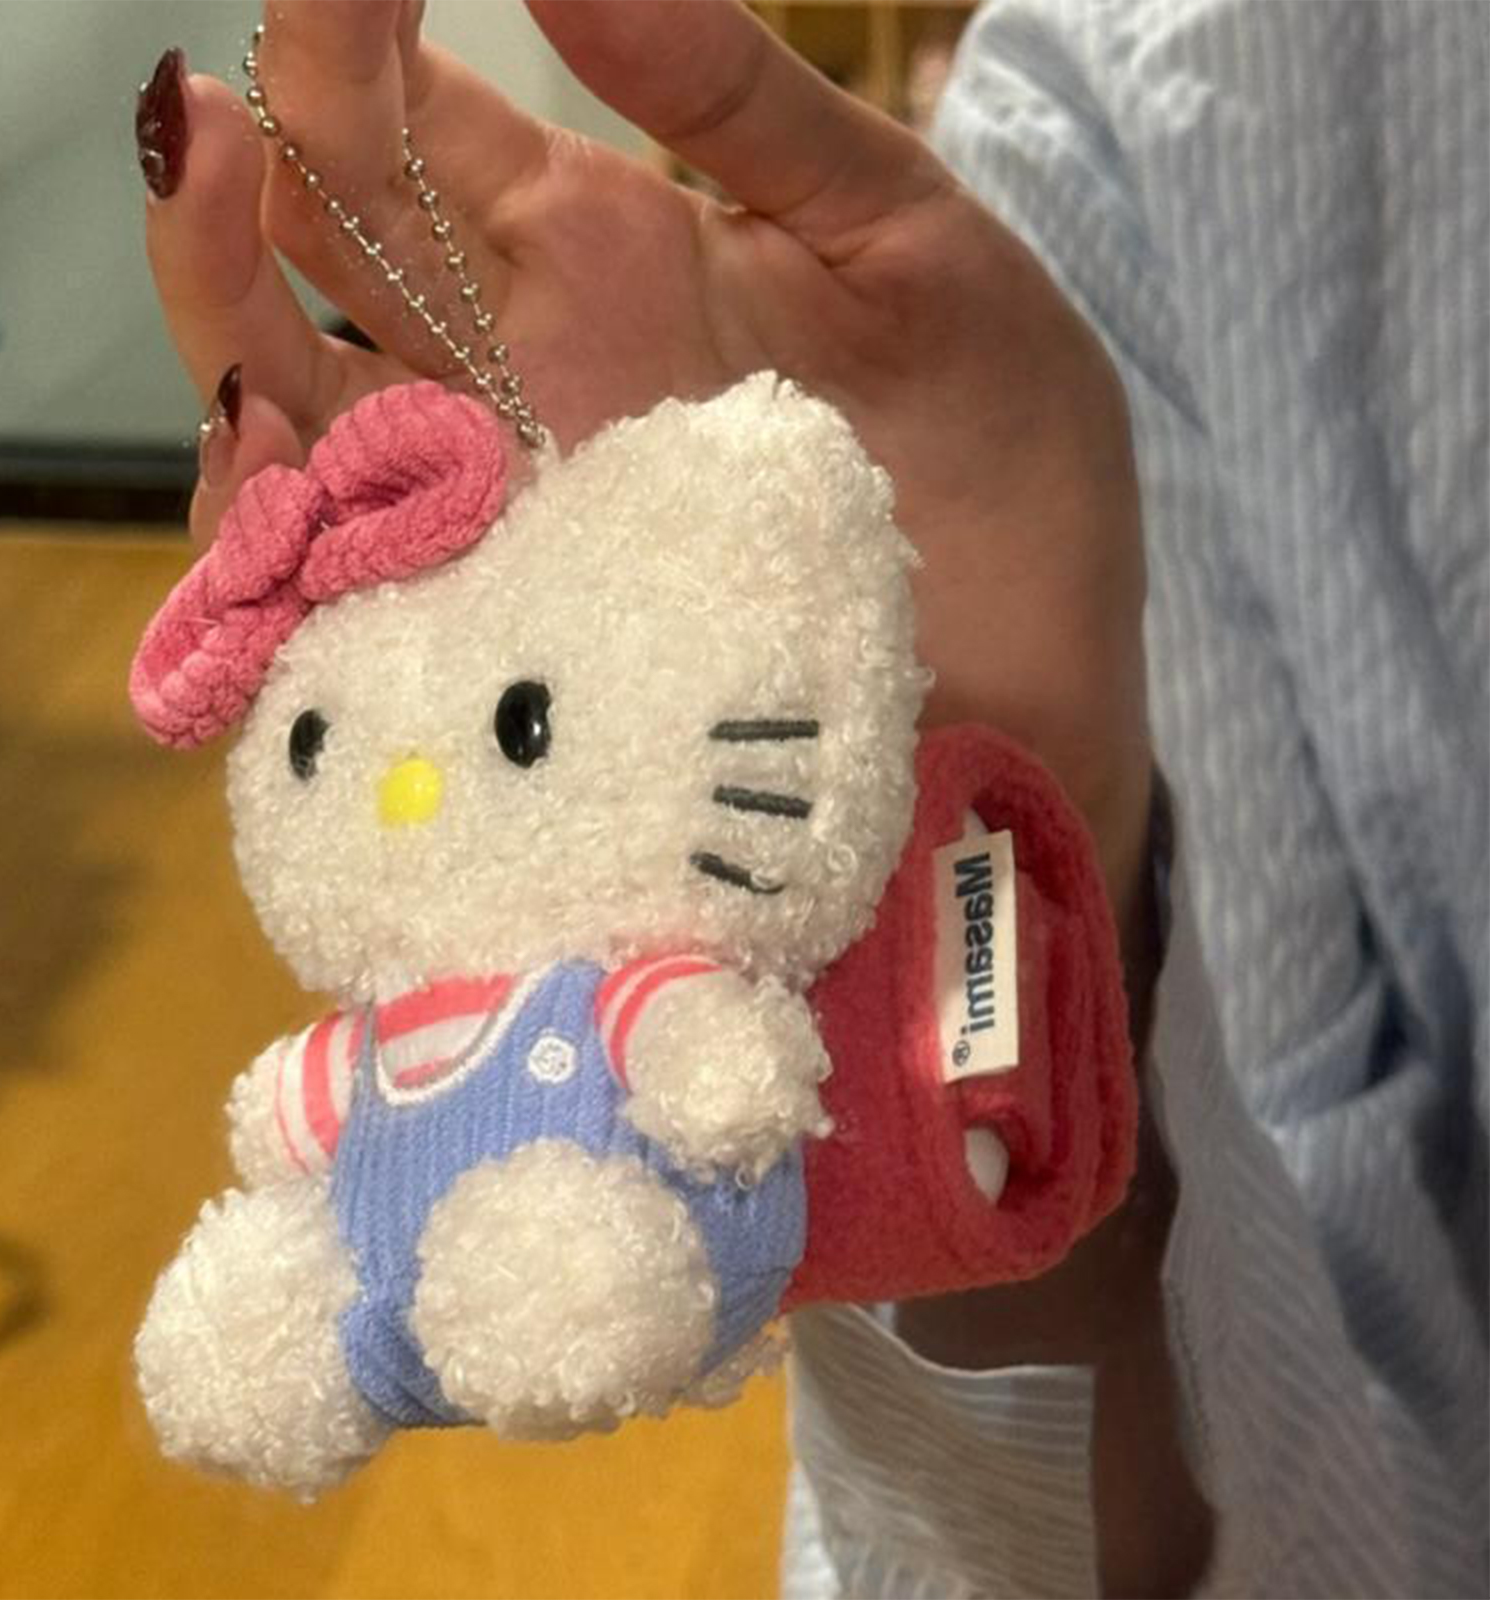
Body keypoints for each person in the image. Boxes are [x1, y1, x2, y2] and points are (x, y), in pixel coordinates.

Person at [133, 2, 1487, 1593]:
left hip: (594, 1217)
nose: (418, 786)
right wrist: (981, 998)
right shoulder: (1157, 107)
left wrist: (732, 1072)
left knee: (572, 1252)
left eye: (517, 724)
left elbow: (712, 1067)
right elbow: (1334, 1286)